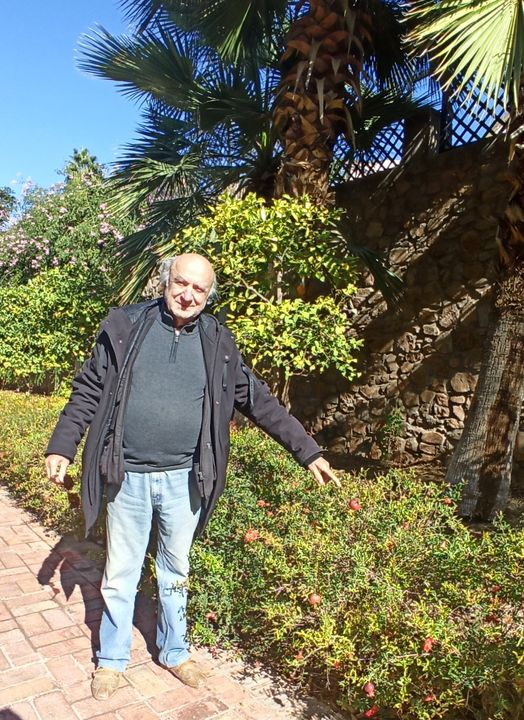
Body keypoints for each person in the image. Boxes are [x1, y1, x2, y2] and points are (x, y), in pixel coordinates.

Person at [45, 253, 339, 701]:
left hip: (185, 480)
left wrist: (308, 450)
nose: (187, 295)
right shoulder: (126, 327)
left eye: (199, 289)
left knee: (175, 571)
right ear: (165, 282)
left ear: (208, 295)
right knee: (121, 572)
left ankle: (175, 651)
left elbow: (258, 400)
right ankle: (111, 659)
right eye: (180, 283)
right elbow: (88, 389)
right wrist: (62, 445)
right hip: (128, 477)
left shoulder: (217, 342)